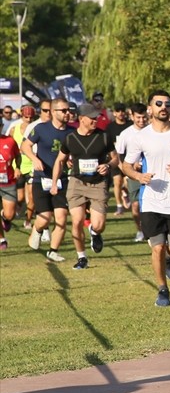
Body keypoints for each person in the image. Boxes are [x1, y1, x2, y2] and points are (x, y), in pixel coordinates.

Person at [120, 91, 170, 307]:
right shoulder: (141, 136)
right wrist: (139, 176)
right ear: (150, 108)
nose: (163, 107)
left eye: (167, 103)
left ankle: (169, 258)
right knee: (156, 247)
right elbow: (126, 166)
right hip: (151, 202)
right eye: (158, 103)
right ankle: (163, 290)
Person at [50, 102, 116, 269]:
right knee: (77, 221)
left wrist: (108, 166)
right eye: (92, 118)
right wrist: (54, 183)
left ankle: (95, 232)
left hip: (98, 184)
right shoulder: (70, 138)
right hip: (77, 183)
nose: (96, 120)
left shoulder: (104, 136)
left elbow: (116, 159)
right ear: (81, 119)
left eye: (97, 117)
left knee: (99, 224)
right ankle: (81, 258)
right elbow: (60, 160)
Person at [23, 97, 71, 262]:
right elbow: (25, 146)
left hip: (62, 179)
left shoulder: (71, 132)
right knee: (45, 217)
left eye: (68, 110)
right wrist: (34, 159)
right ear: (53, 112)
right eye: (63, 111)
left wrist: (71, 159)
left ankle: (53, 251)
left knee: (62, 217)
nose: (67, 113)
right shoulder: (41, 129)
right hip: (41, 179)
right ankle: (37, 230)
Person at [114, 103, 149, 241]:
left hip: (151, 173)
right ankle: (140, 230)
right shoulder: (126, 134)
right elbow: (118, 155)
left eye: (144, 117)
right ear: (132, 116)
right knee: (135, 204)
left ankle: (153, 230)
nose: (141, 121)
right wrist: (126, 171)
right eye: (138, 118)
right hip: (134, 175)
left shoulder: (152, 130)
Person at [0, 124, 19, 249]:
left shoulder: (10, 141)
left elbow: (18, 156)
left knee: (10, 215)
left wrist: (17, 167)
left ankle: (4, 217)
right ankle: (1, 239)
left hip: (8, 182)